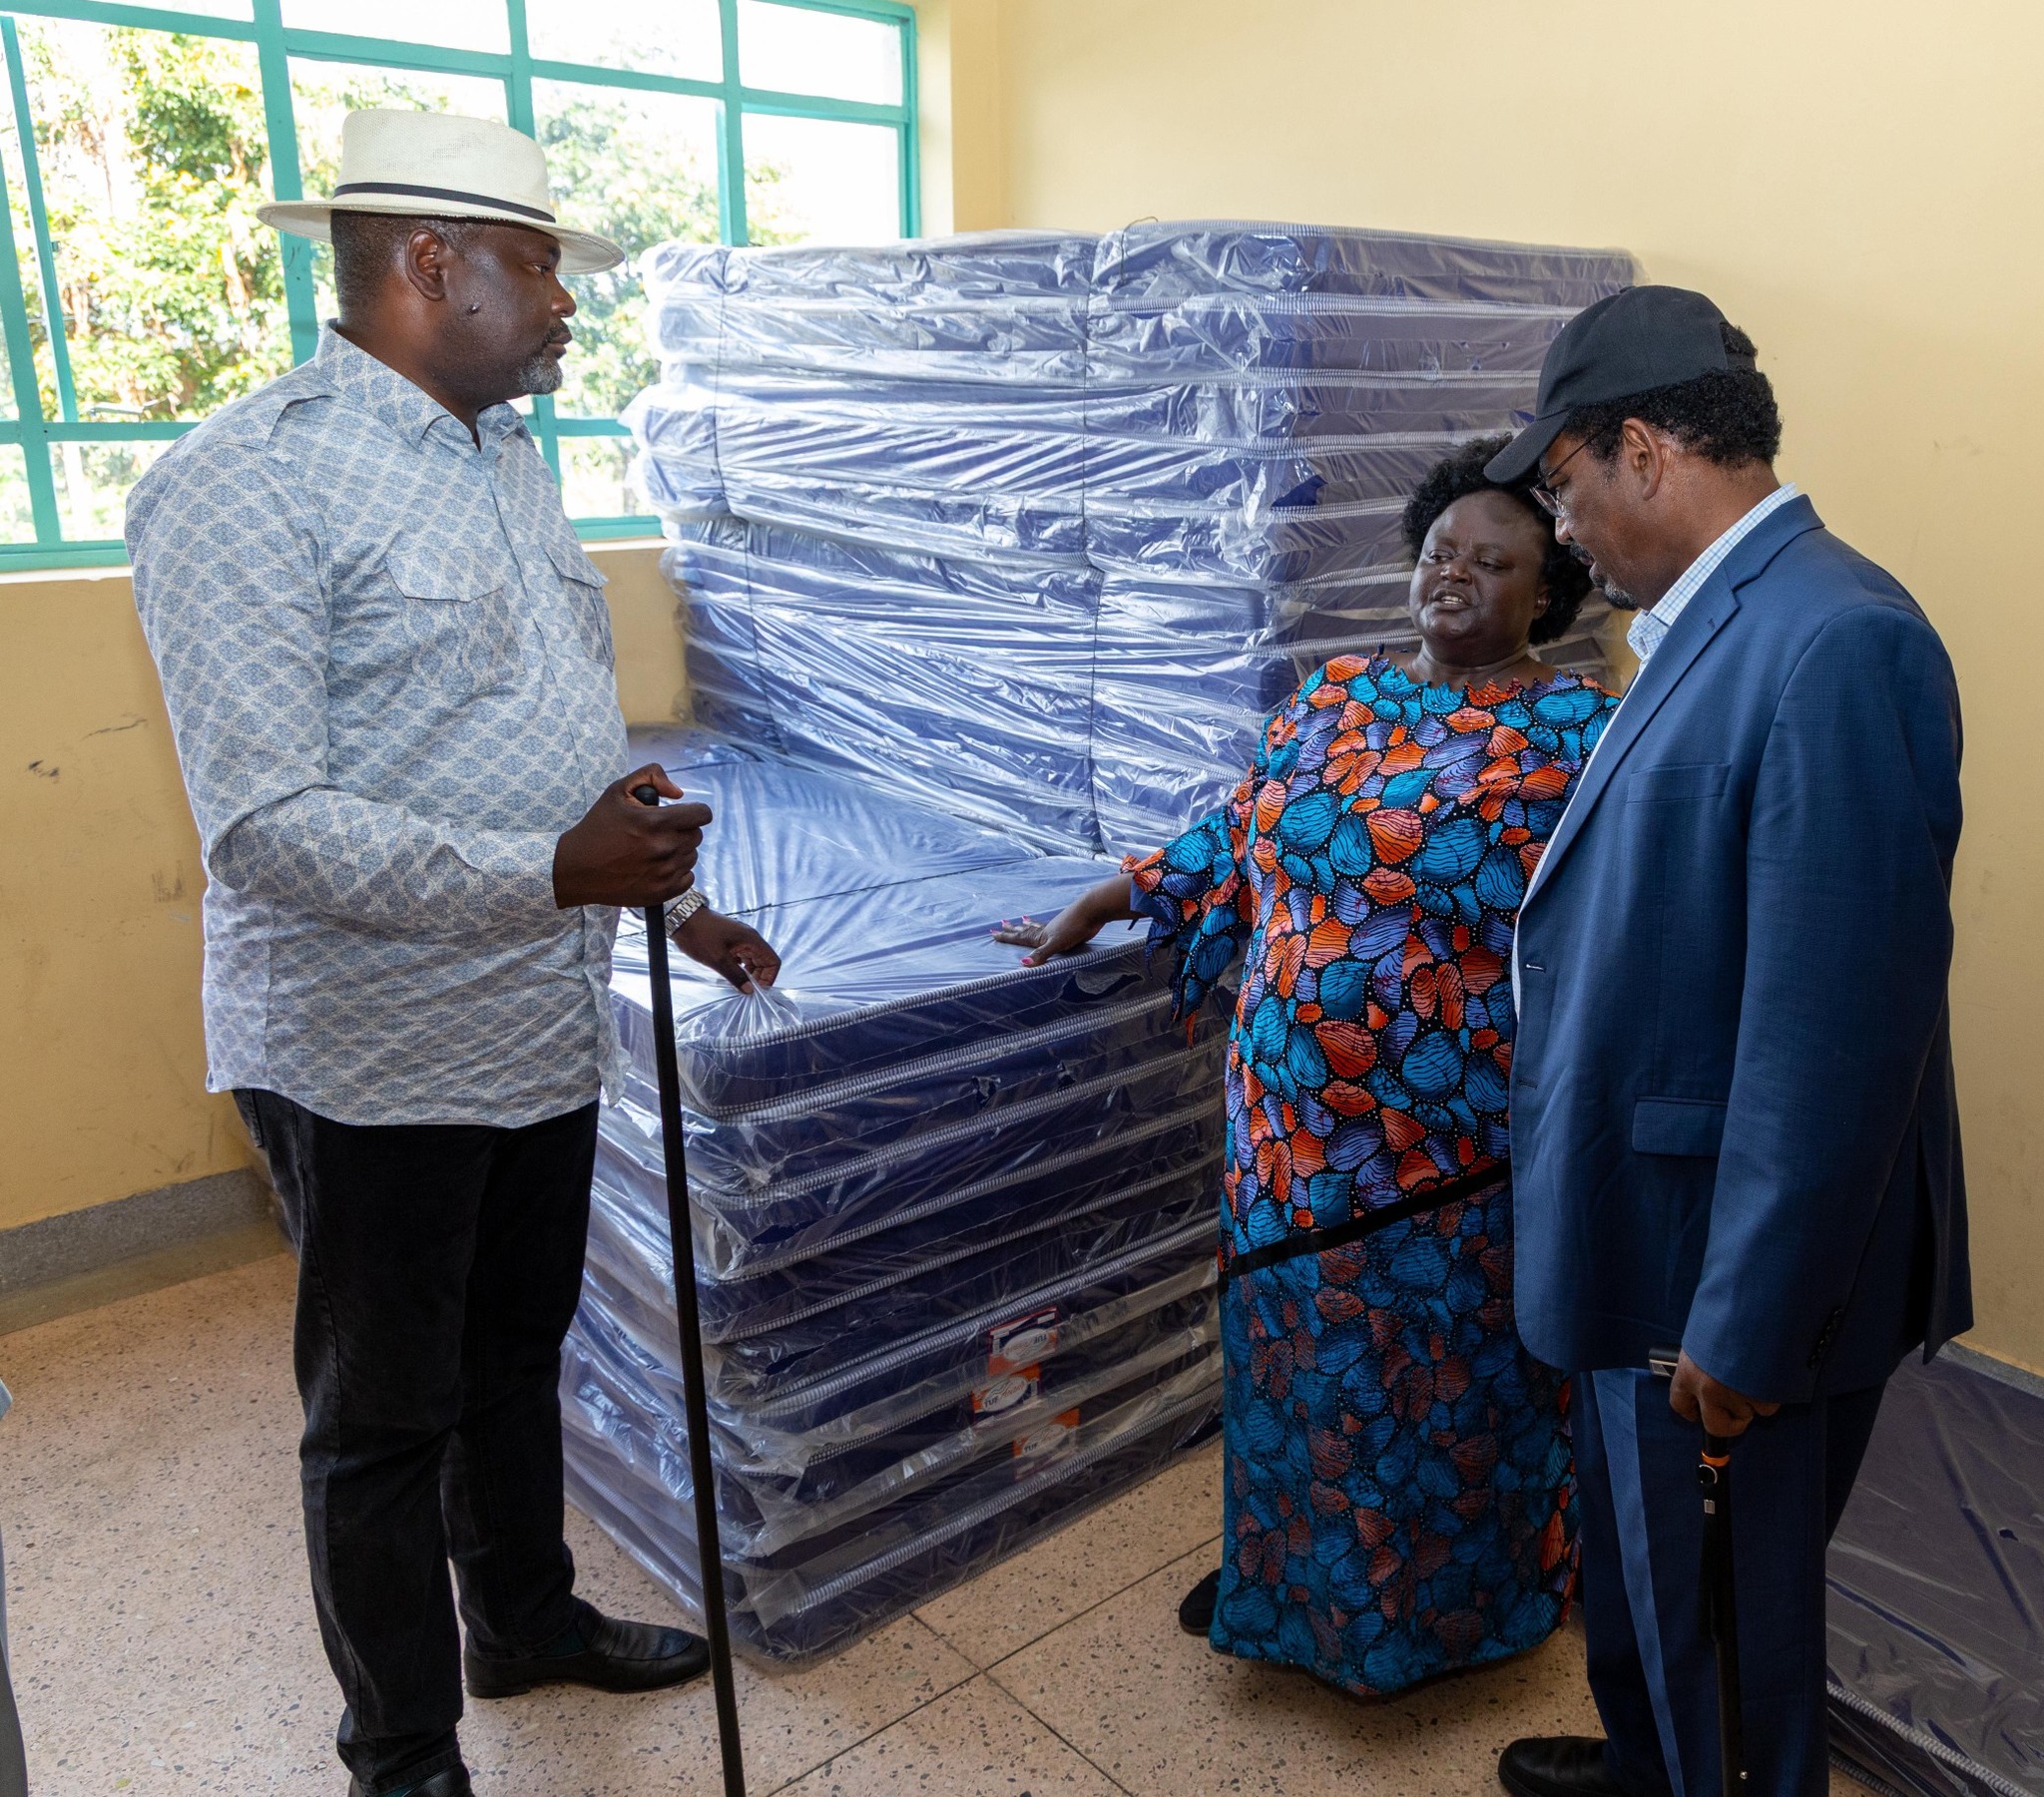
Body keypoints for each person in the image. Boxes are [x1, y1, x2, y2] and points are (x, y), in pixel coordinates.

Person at [129, 111, 778, 1797]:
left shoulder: (505, 455)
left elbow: (525, 715)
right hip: (365, 1048)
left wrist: (656, 884)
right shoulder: (240, 481)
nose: (569, 304)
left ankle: (525, 1621)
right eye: (546, 265)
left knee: (514, 1354)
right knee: (378, 1421)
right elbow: (264, 824)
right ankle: (401, 1753)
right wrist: (555, 861)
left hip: (532, 1021)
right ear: (433, 264)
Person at [996, 438, 1618, 1695]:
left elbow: (1615, 931)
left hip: (1440, 1150)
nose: (1452, 575)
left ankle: (1439, 1616)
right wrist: (1115, 890)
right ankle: (1290, 1581)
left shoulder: (1579, 735)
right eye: (1440, 550)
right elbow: (1242, 822)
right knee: (1292, 1366)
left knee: (1429, 1378)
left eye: (1492, 561)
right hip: (1280, 1136)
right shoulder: (1334, 695)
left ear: (1545, 594)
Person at [1481, 287, 1966, 1797]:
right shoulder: (1721, 622)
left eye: (1561, 489)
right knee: (1650, 1596)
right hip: (1658, 1230)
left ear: (1638, 450)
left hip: (1714, 1289)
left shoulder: (1838, 641)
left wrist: (1746, 1326)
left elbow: (1834, 1034)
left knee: (1727, 1640)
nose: (1563, 533)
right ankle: (1647, 1760)